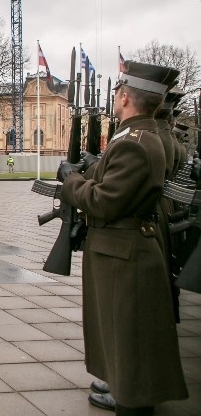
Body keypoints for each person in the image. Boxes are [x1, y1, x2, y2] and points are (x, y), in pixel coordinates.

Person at [59, 61, 187, 415]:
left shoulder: (135, 142)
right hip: (123, 246)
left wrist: (72, 181)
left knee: (126, 332)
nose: (115, 98)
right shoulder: (136, 137)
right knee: (123, 330)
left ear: (126, 96)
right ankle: (125, 386)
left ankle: (128, 393)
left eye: (117, 93)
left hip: (124, 249)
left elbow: (104, 200)